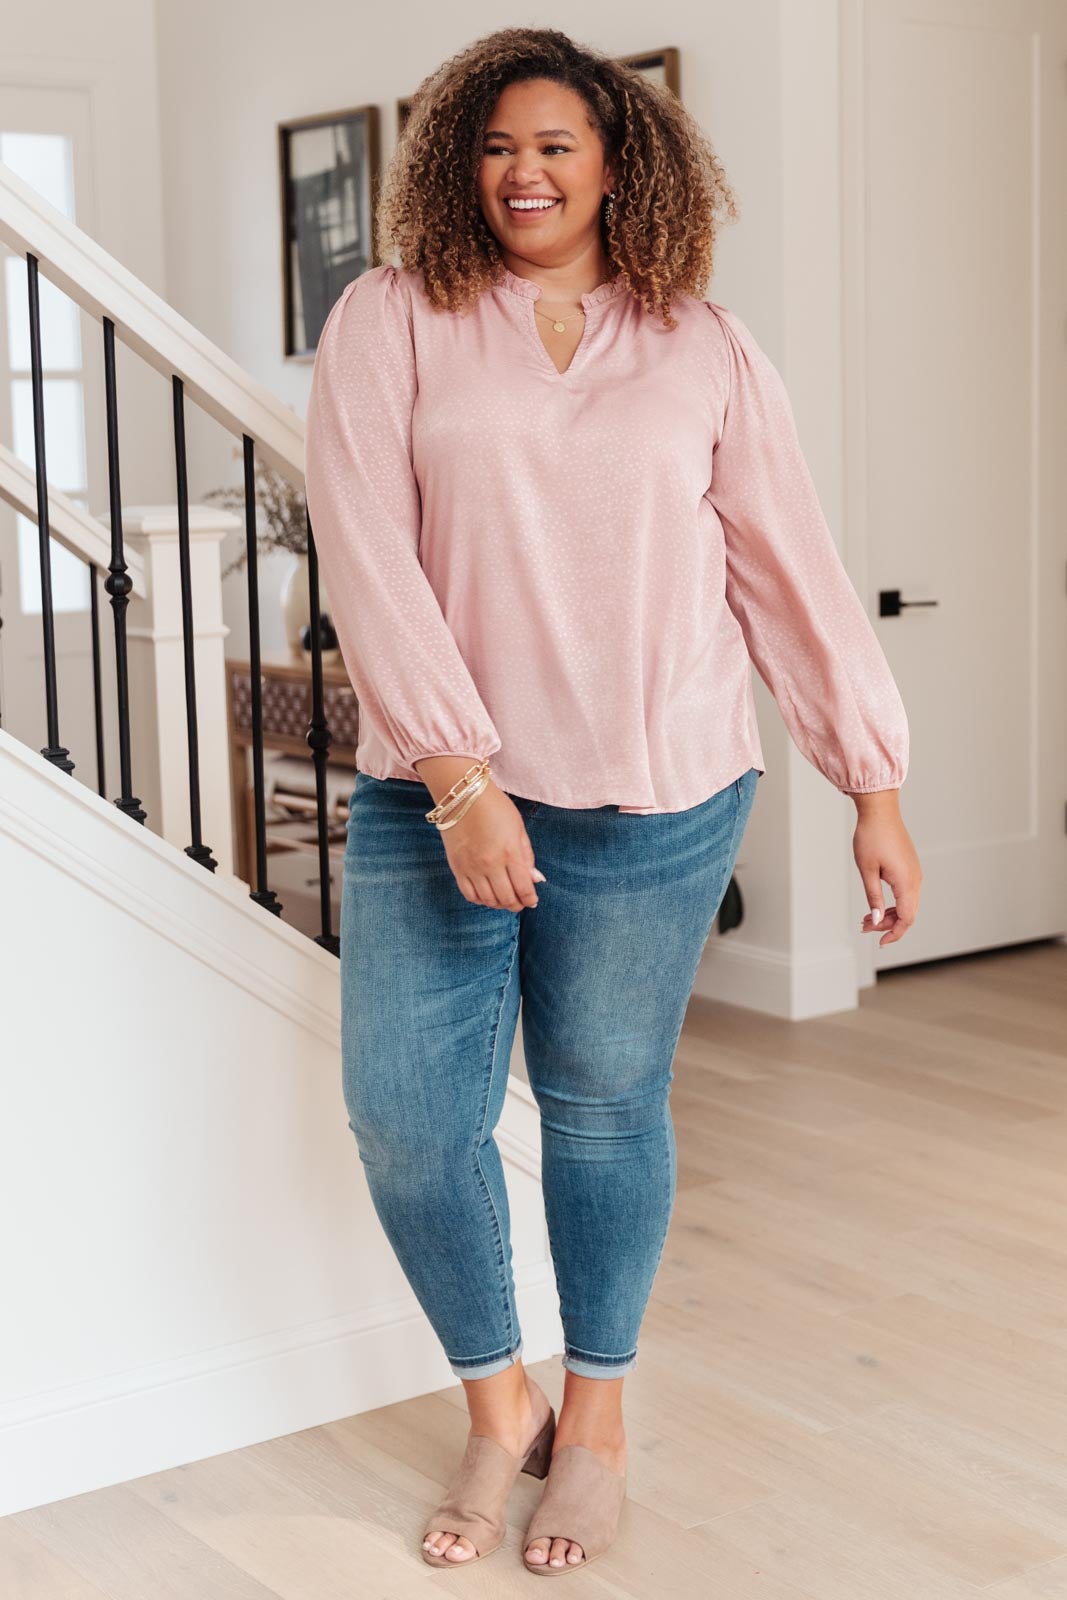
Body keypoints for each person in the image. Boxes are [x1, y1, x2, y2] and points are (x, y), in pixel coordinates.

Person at [303, 25, 921, 1579]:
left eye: (556, 145)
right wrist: (461, 779)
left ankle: (595, 1425)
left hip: (659, 794)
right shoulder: (393, 317)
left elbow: (785, 567)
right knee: (410, 1121)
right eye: (496, 145)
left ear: (617, 164)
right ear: (460, 164)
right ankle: (495, 1403)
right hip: (438, 798)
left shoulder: (703, 345)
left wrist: (872, 780)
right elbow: (366, 555)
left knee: (601, 1111)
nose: (523, 172)